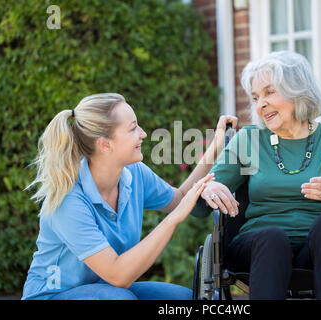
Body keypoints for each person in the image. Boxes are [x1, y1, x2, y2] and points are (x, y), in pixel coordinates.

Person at [191, 51, 321, 300]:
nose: (260, 104)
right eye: (256, 97)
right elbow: (199, 209)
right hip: (260, 245)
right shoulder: (249, 140)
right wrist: (208, 190)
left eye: (269, 92)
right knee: (272, 236)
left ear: (297, 90)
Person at [22, 93, 237, 300]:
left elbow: (180, 198)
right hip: (52, 295)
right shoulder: (68, 200)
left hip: (105, 289)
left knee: (184, 298)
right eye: (133, 128)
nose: (143, 133)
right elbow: (119, 275)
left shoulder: (134, 173)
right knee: (118, 297)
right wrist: (173, 219)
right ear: (105, 144)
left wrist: (215, 148)